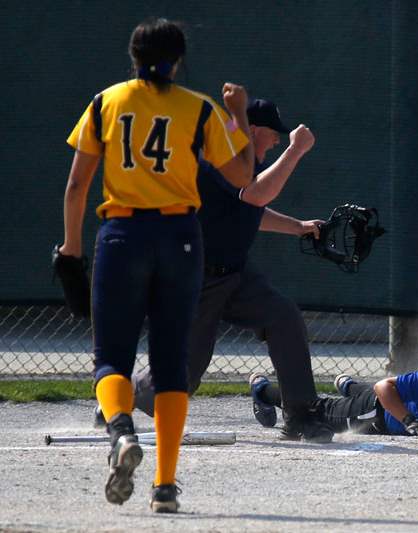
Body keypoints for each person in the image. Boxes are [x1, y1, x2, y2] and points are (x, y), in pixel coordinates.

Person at [60, 18, 254, 512]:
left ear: (133, 56)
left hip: (122, 234)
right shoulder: (200, 109)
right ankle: (164, 488)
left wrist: (71, 250)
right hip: (180, 238)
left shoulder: (106, 102)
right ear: (179, 60)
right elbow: (243, 177)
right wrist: (239, 116)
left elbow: (79, 185)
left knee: (111, 359)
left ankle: (121, 430)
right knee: (171, 365)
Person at [95, 98, 334, 443]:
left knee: (283, 316)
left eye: (283, 138)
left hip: (236, 274)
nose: (278, 140)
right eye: (273, 133)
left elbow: (251, 210)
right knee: (183, 375)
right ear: (252, 131)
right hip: (196, 279)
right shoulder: (221, 159)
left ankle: (301, 416)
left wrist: (297, 226)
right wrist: (296, 150)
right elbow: (255, 196)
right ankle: (118, 396)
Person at [250, 323, 418, 436]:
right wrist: (408, 420)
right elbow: (383, 386)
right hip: (377, 414)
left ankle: (349, 386)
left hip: (389, 411)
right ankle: (263, 390)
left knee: (356, 396)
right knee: (314, 411)